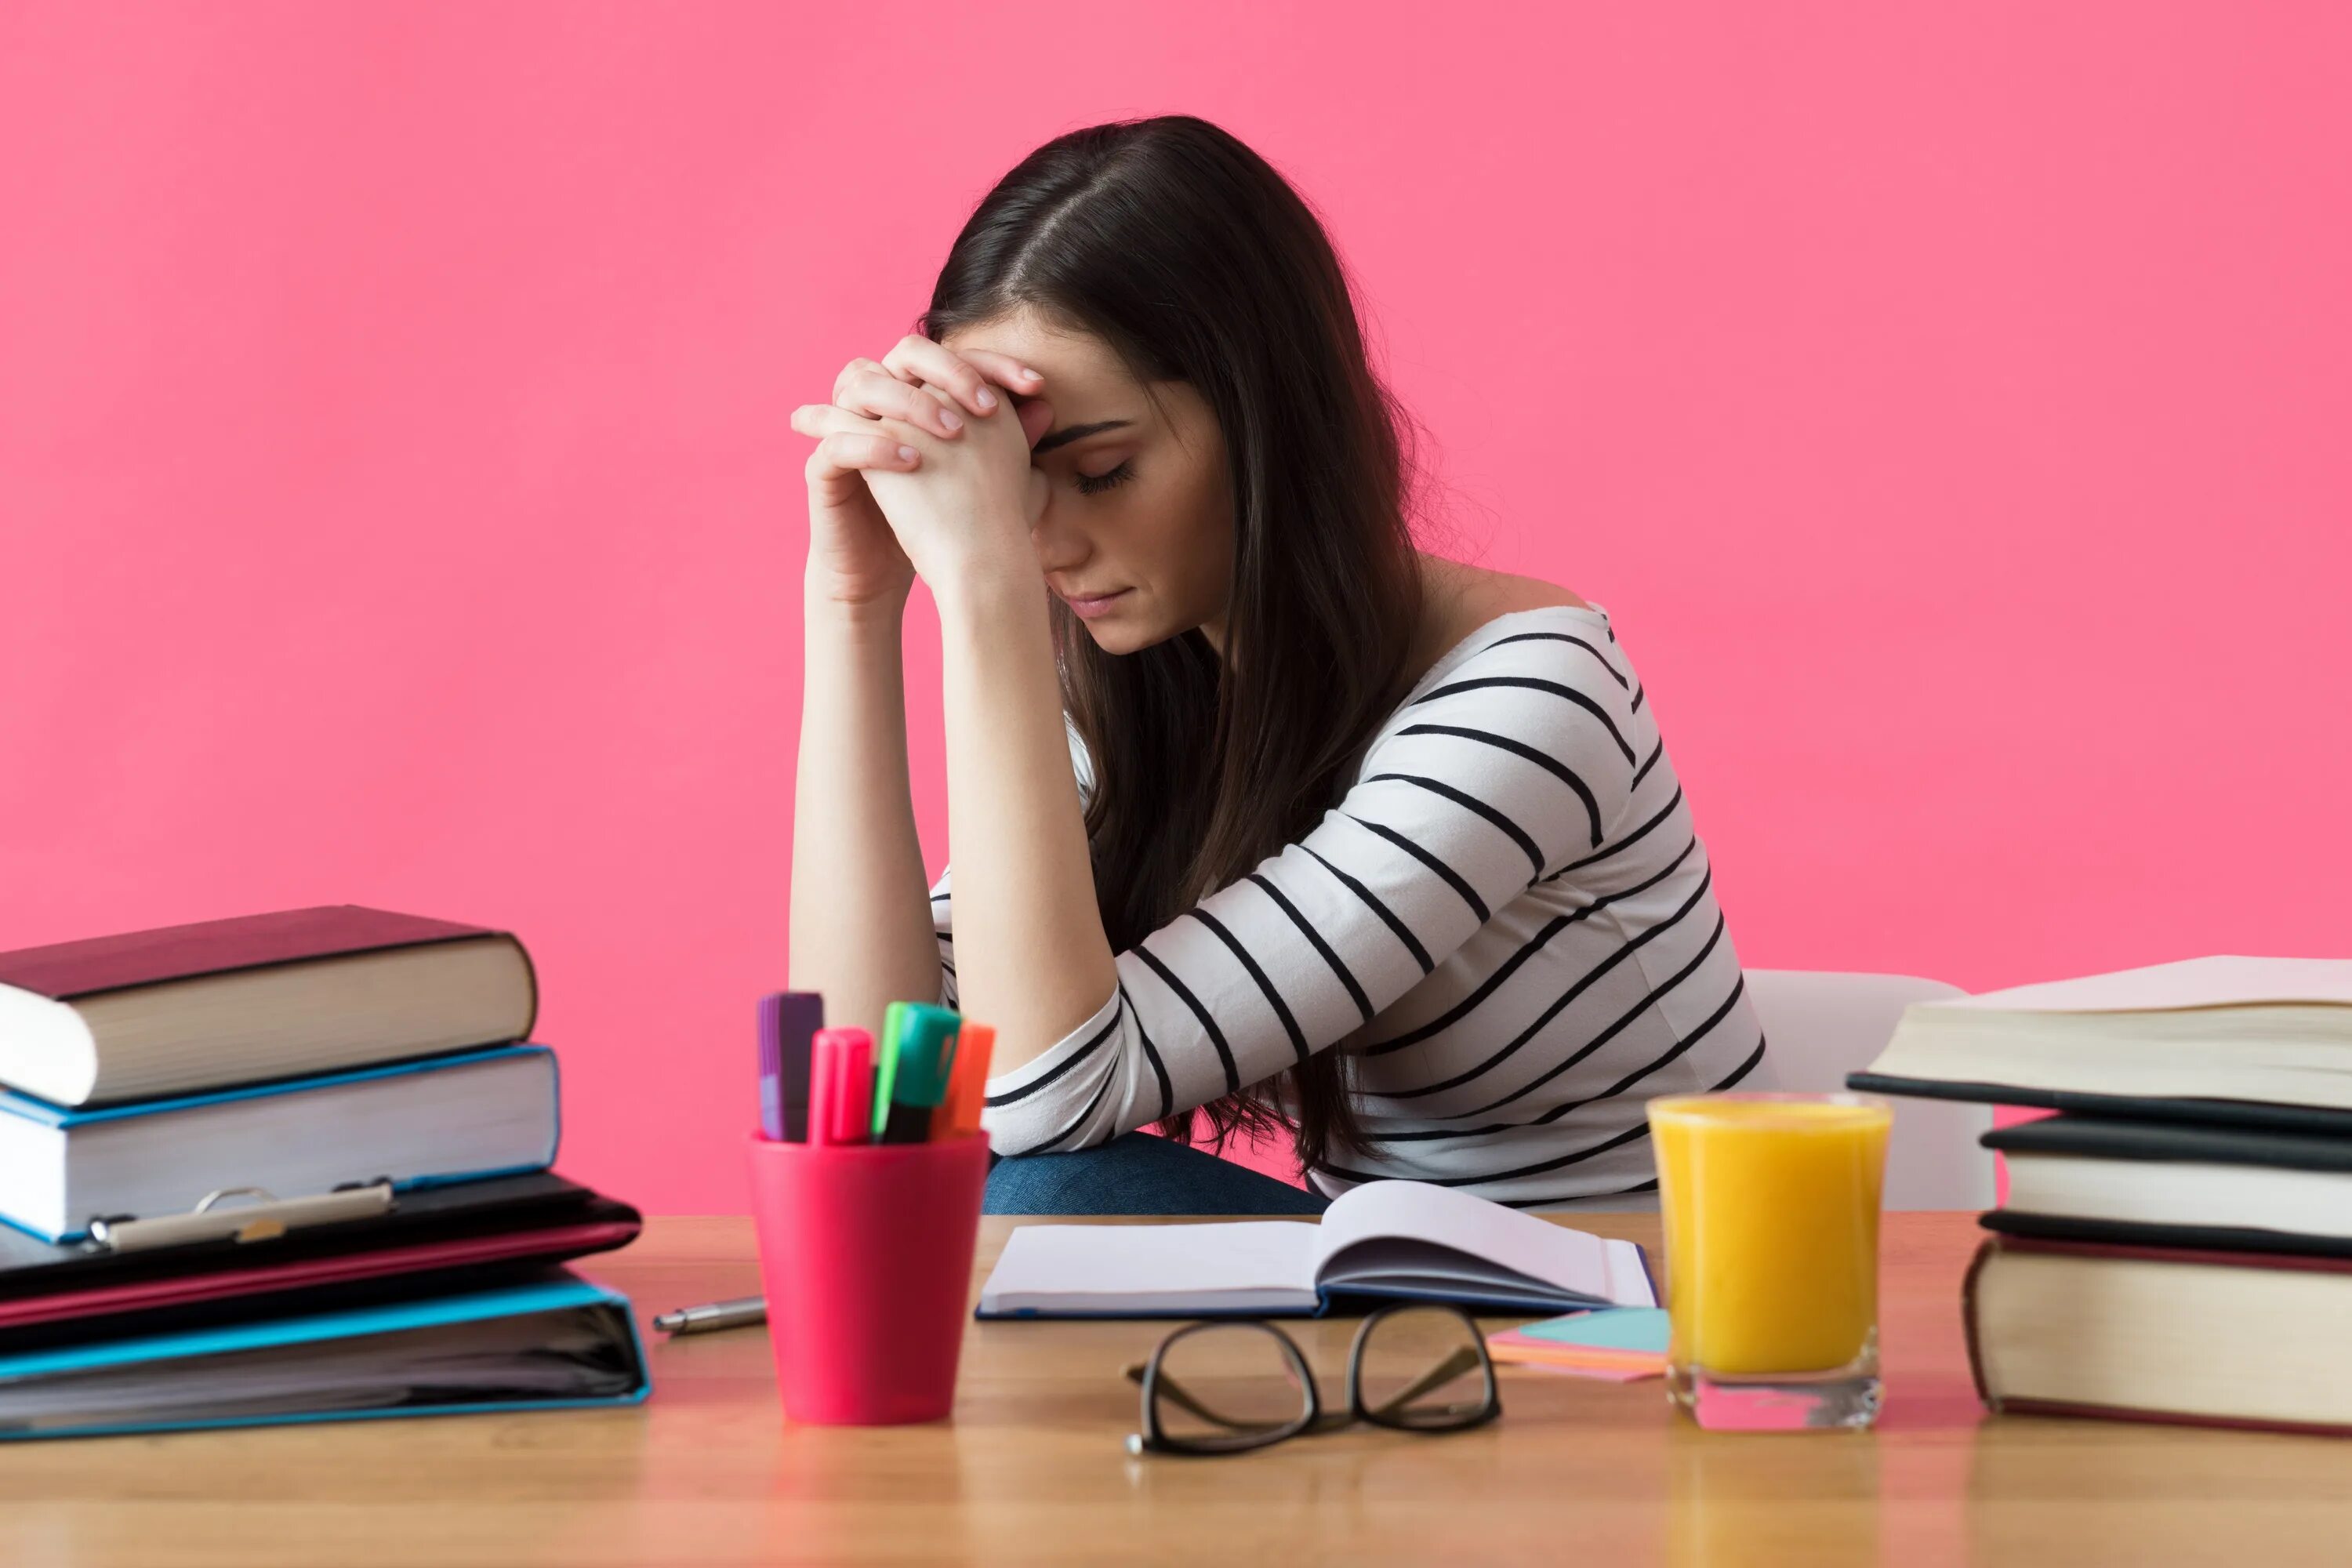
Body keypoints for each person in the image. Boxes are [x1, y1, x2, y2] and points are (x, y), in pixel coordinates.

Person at [787, 114, 1766, 1216]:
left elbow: (1044, 1096)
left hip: (1628, 1317)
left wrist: (983, 591)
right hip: (1406, 1290)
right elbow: (872, 1091)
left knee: (1035, 1194)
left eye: (1101, 471)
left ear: (1268, 422)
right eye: (1017, 484)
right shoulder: (1149, 691)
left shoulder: (1533, 702)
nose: (1042, 539)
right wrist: (854, 605)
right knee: (936, 1192)